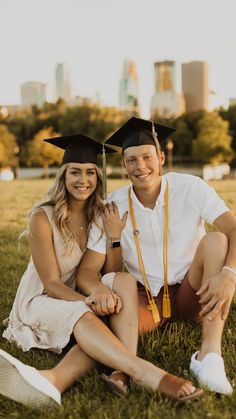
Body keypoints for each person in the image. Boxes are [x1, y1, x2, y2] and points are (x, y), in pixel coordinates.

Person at [0, 133, 203, 408]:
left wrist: (114, 238)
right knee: (92, 317)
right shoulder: (42, 217)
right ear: (63, 176)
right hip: (42, 299)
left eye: (89, 173)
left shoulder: (100, 213)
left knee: (122, 283)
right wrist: (89, 301)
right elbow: (49, 282)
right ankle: (147, 373)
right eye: (74, 172)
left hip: (80, 296)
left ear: (98, 177)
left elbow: (112, 270)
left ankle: (53, 380)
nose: (82, 180)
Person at [77, 117, 236, 396]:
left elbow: (233, 228)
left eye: (147, 157)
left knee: (216, 240)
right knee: (116, 298)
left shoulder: (191, 187)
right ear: (123, 165)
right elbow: (88, 271)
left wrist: (229, 273)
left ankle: (208, 357)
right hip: (144, 299)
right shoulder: (113, 204)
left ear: (161, 157)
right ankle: (123, 368)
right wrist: (100, 288)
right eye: (131, 160)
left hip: (193, 289)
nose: (140, 167)